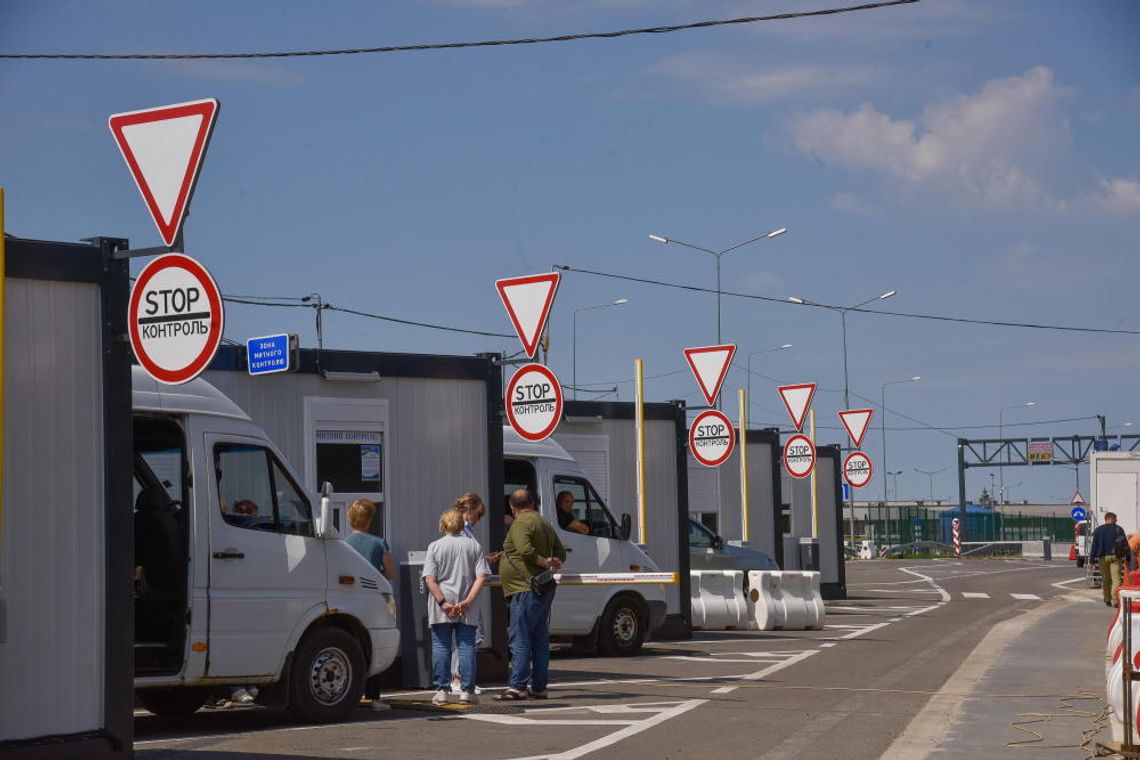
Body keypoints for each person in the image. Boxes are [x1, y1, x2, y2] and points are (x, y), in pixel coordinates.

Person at [496, 488, 566, 701]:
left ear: (512, 507)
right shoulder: (543, 522)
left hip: (524, 589)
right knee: (539, 639)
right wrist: (551, 561)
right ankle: (539, 686)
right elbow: (561, 553)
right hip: (542, 589)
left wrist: (544, 562)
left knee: (521, 638)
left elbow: (525, 551)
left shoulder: (521, 523)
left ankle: (518, 686)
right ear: (533, 503)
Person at [423, 507, 491, 706]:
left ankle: (442, 690)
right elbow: (481, 577)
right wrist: (468, 600)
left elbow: (430, 579)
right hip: (467, 603)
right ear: (462, 524)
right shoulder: (474, 546)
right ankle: (467, 690)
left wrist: (443, 603)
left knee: (441, 646)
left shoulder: (434, 546)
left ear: (443, 525)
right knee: (466, 646)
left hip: (442, 602)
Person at [448, 493, 499, 694]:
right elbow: (468, 562)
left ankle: (457, 678)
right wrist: (484, 561)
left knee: (460, 636)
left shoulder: (455, 533)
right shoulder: (465, 533)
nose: (479, 519)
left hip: (455, 589)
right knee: (472, 634)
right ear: (469, 511)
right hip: (467, 591)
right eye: (478, 514)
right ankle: (459, 678)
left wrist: (484, 558)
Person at [344, 499, 396, 581]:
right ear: (369, 520)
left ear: (350, 520)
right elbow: (390, 573)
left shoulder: (343, 544)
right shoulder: (380, 543)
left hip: (350, 591)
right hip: (374, 591)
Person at [1090, 512, 1127, 607]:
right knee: (1116, 580)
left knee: (1106, 579)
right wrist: (1128, 557)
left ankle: (1107, 599)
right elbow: (1125, 544)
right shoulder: (1118, 529)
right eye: (1115, 519)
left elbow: (1094, 545)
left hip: (1102, 558)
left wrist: (1091, 560)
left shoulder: (1098, 530)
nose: (1116, 521)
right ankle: (1115, 601)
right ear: (1111, 518)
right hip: (1115, 558)